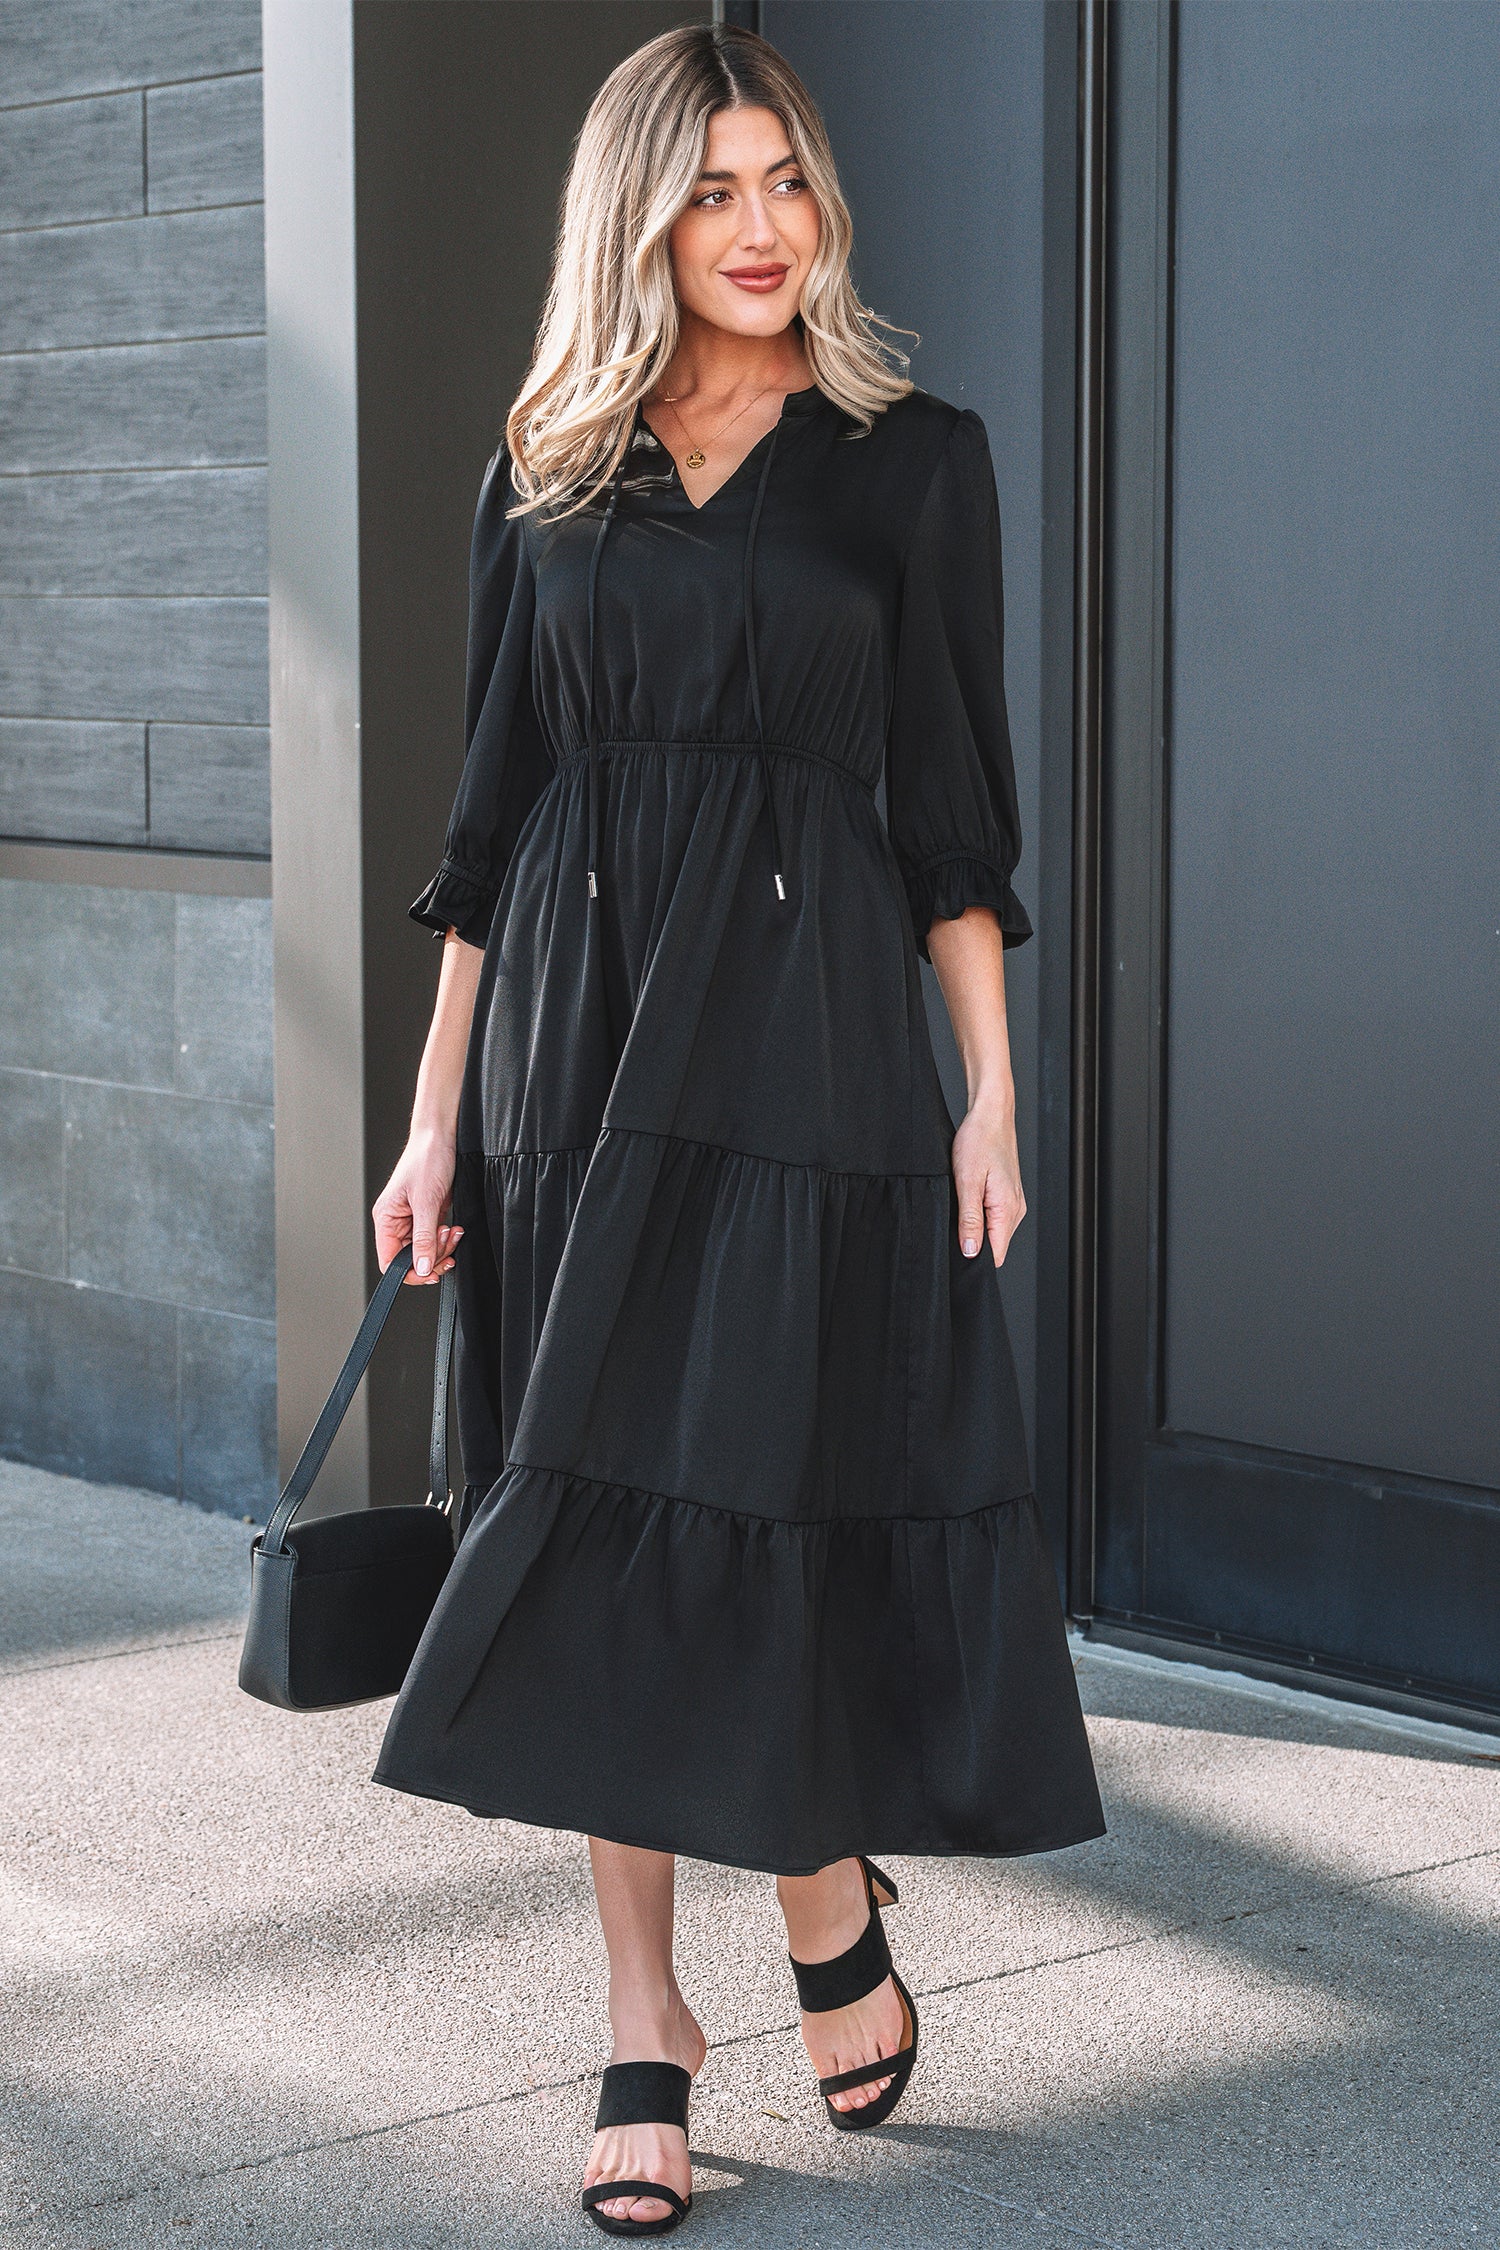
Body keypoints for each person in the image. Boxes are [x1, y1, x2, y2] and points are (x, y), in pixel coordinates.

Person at [370, 23, 1104, 2236]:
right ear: (639, 218)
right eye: (712, 191)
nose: (764, 227)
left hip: (807, 1060)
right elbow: (487, 832)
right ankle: (641, 2017)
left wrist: (990, 1088)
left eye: (787, 181)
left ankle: (817, 1894)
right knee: (597, 1510)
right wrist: (427, 1127)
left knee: (770, 1491)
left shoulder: (911, 463)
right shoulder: (550, 468)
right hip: (571, 1069)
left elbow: (952, 818)